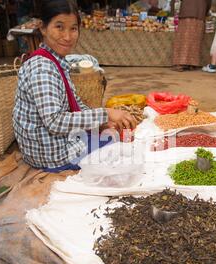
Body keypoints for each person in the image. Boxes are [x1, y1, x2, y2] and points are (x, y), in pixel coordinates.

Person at [13, 0, 137, 172]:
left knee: (110, 132)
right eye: (59, 27)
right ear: (43, 28)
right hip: (52, 155)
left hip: (53, 146)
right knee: (121, 146)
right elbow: (55, 121)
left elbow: (76, 103)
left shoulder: (56, 61)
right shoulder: (42, 68)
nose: (67, 36)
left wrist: (100, 123)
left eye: (73, 28)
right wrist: (105, 113)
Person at [172, 0, 212, 71]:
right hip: (199, 13)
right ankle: (191, 64)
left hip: (186, 13)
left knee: (183, 39)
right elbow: (209, 2)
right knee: (195, 41)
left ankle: (179, 64)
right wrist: (206, 11)